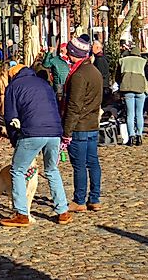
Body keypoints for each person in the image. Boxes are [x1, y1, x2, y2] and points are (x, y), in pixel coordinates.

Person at [0, 63, 72, 227]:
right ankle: (63, 211)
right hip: (54, 132)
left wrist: (14, 140)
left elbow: (10, 117)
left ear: (12, 75)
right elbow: (55, 107)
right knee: (52, 170)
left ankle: (21, 214)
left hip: (32, 132)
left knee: (17, 170)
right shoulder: (44, 83)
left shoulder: (14, 86)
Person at [62, 36, 104, 213]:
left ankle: (79, 200)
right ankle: (94, 198)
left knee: (79, 165)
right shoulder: (94, 71)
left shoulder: (79, 75)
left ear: (74, 53)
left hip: (80, 126)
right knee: (92, 162)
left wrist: (66, 131)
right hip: (92, 124)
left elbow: (74, 105)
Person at [115, 45, 148, 146]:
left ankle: (131, 136)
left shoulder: (122, 61)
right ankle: (139, 136)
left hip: (127, 89)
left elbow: (117, 77)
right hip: (140, 89)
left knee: (130, 114)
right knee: (139, 113)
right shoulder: (143, 62)